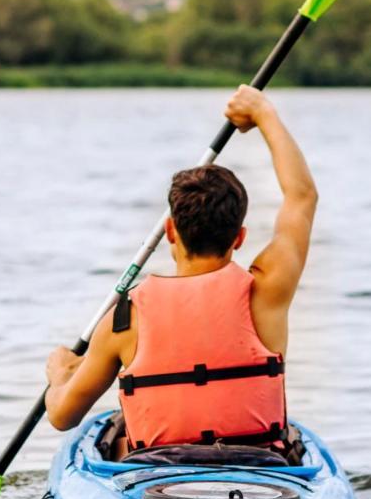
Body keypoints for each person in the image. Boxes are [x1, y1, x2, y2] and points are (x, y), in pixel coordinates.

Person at [43, 85, 316, 455]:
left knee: (119, 436)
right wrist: (262, 112)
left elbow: (62, 415)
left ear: (171, 231)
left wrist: (61, 372)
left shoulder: (124, 319)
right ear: (239, 237)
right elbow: (301, 197)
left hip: (157, 480)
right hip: (260, 469)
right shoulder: (267, 290)